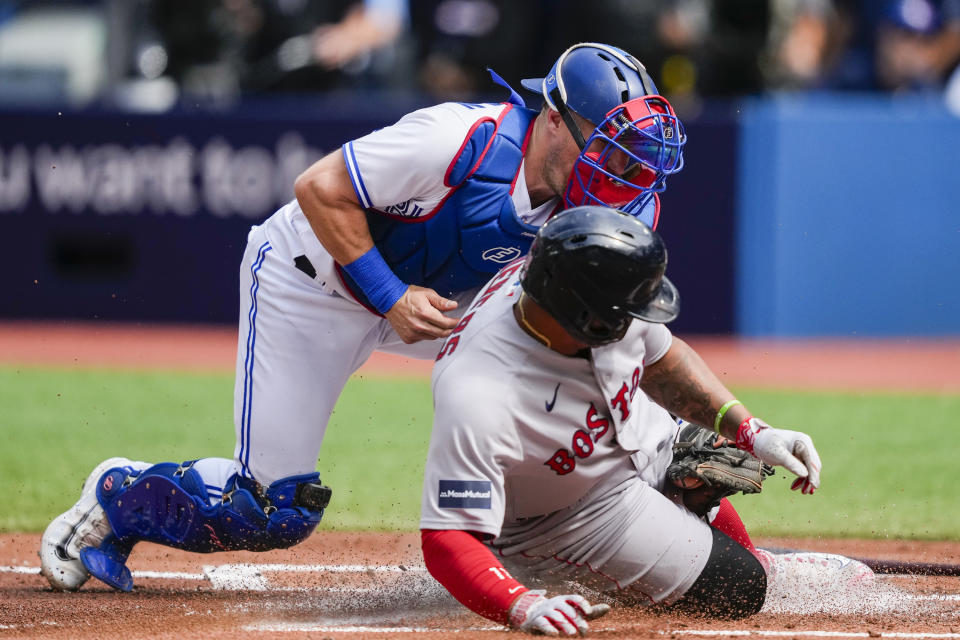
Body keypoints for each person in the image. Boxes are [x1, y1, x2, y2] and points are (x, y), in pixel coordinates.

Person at [39, 42, 686, 592]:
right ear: (552, 118)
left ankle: (634, 512)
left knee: (588, 375)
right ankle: (119, 496)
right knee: (268, 510)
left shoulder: (607, 209)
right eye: (611, 148)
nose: (624, 171)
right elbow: (320, 188)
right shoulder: (459, 141)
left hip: (439, 306)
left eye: (633, 155)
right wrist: (392, 299)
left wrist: (674, 420)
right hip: (314, 281)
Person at [419, 206, 867, 636]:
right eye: (625, 312)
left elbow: (665, 361)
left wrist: (752, 430)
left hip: (623, 428)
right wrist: (521, 604)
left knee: (707, 470)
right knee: (741, 589)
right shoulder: (479, 394)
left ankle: (762, 560)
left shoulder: (581, 289)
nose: (635, 318)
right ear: (579, 312)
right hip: (562, 517)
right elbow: (446, 540)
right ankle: (551, 571)